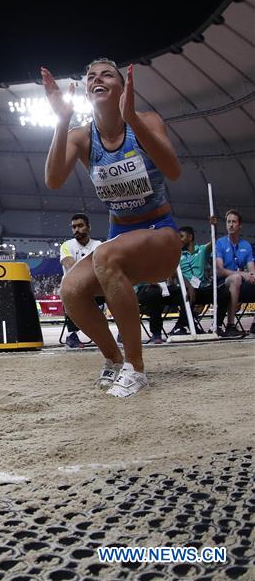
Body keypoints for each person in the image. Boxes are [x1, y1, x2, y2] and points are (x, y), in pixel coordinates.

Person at [42, 58, 183, 398]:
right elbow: (53, 180)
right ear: (87, 92)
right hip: (120, 243)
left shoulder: (146, 121)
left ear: (121, 87)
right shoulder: (82, 137)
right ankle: (114, 359)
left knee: (104, 253)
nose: (96, 79)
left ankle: (136, 367)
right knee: (71, 289)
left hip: (161, 235)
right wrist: (61, 122)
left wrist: (132, 117)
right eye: (90, 76)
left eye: (106, 74)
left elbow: (174, 171)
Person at [59, 213, 102, 348]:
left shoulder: (99, 245)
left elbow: (101, 268)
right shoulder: (66, 245)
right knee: (69, 293)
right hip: (74, 289)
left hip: (94, 290)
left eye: (80, 226)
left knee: (115, 293)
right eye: (74, 227)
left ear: (88, 227)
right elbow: (70, 266)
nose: (76, 229)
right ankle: (72, 335)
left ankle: (122, 332)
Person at [215, 209, 255, 336]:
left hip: (240, 284)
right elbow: (220, 271)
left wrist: (252, 275)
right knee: (236, 277)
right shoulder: (220, 243)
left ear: (240, 225)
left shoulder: (246, 245)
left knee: (243, 278)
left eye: (234, 222)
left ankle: (254, 325)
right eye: (228, 222)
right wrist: (243, 274)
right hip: (223, 284)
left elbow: (252, 271)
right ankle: (230, 325)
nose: (231, 224)